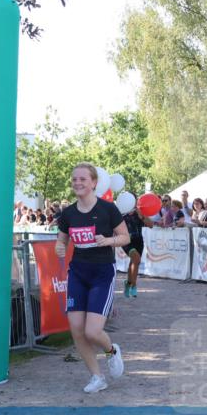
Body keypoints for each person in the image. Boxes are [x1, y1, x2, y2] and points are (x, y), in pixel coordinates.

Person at [55, 162, 129, 393]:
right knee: (76, 329)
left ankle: (112, 351)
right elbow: (62, 239)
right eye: (74, 179)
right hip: (78, 272)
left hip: (102, 273)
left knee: (92, 331)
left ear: (94, 183)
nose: (77, 182)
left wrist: (109, 241)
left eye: (83, 179)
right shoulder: (68, 213)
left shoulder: (108, 209)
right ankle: (97, 377)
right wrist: (59, 246)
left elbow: (125, 237)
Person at [122, 203, 150, 298]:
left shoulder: (139, 213)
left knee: (134, 262)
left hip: (138, 241)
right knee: (136, 259)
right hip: (126, 241)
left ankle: (128, 283)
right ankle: (133, 285)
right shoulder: (121, 214)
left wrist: (141, 216)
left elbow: (151, 225)